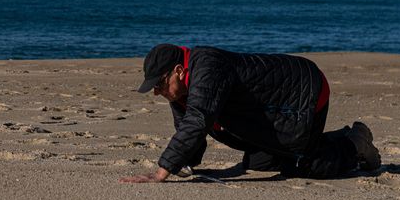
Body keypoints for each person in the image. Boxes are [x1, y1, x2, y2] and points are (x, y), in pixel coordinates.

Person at [119, 44, 381, 183]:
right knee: (258, 164)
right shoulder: (180, 90)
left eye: (159, 85)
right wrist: (184, 165)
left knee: (302, 164)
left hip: (302, 92)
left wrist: (161, 171)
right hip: (275, 104)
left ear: (178, 70)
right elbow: (189, 129)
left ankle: (354, 144)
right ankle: (339, 138)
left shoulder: (207, 68)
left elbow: (199, 120)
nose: (157, 92)